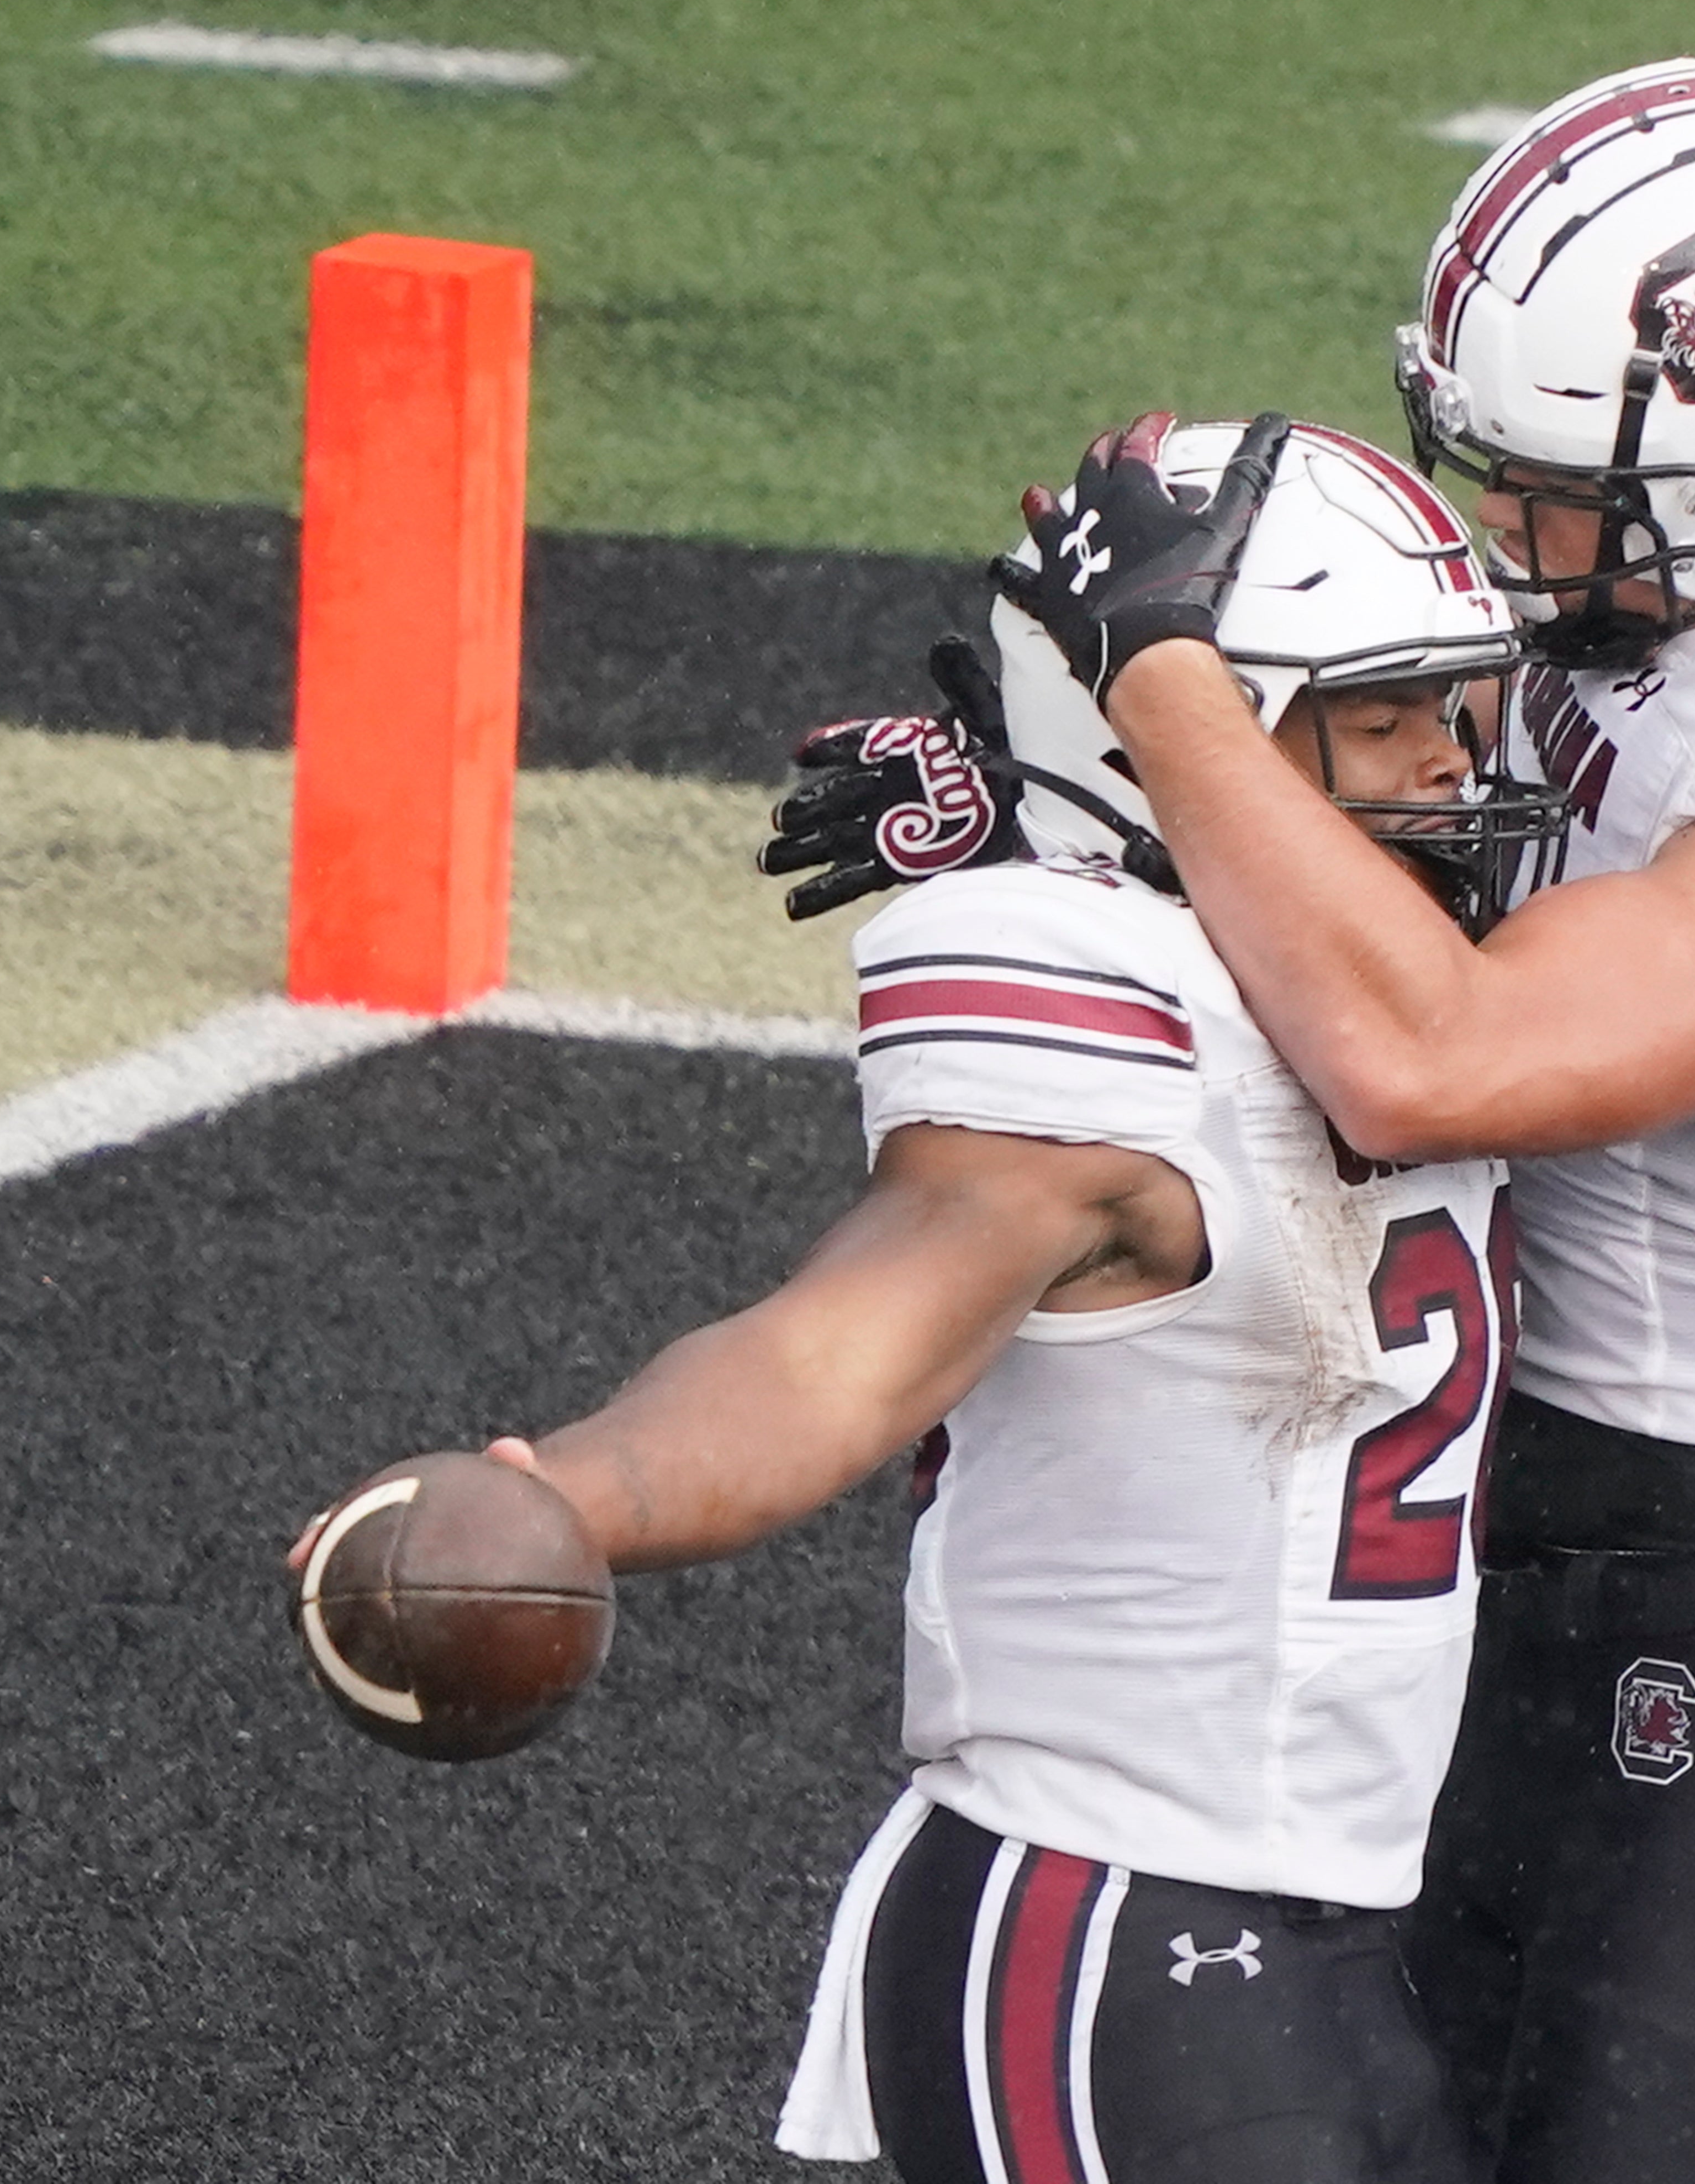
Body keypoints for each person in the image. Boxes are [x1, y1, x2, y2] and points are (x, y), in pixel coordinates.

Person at [988, 60, 1695, 2184]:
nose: (1513, 549)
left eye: (1561, 504)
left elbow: (1438, 1058)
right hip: (1495, 1582)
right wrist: (1048, 799)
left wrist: (1155, 683)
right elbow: (1391, 805)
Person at [295, 419, 1567, 2184]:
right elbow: (834, 1354)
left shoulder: (1410, 988)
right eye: (1382, 718)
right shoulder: (1096, 1017)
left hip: (1331, 1914)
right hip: (1116, 1920)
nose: (1451, 767)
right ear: (1163, 748)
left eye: (1458, 704)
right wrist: (574, 1493)